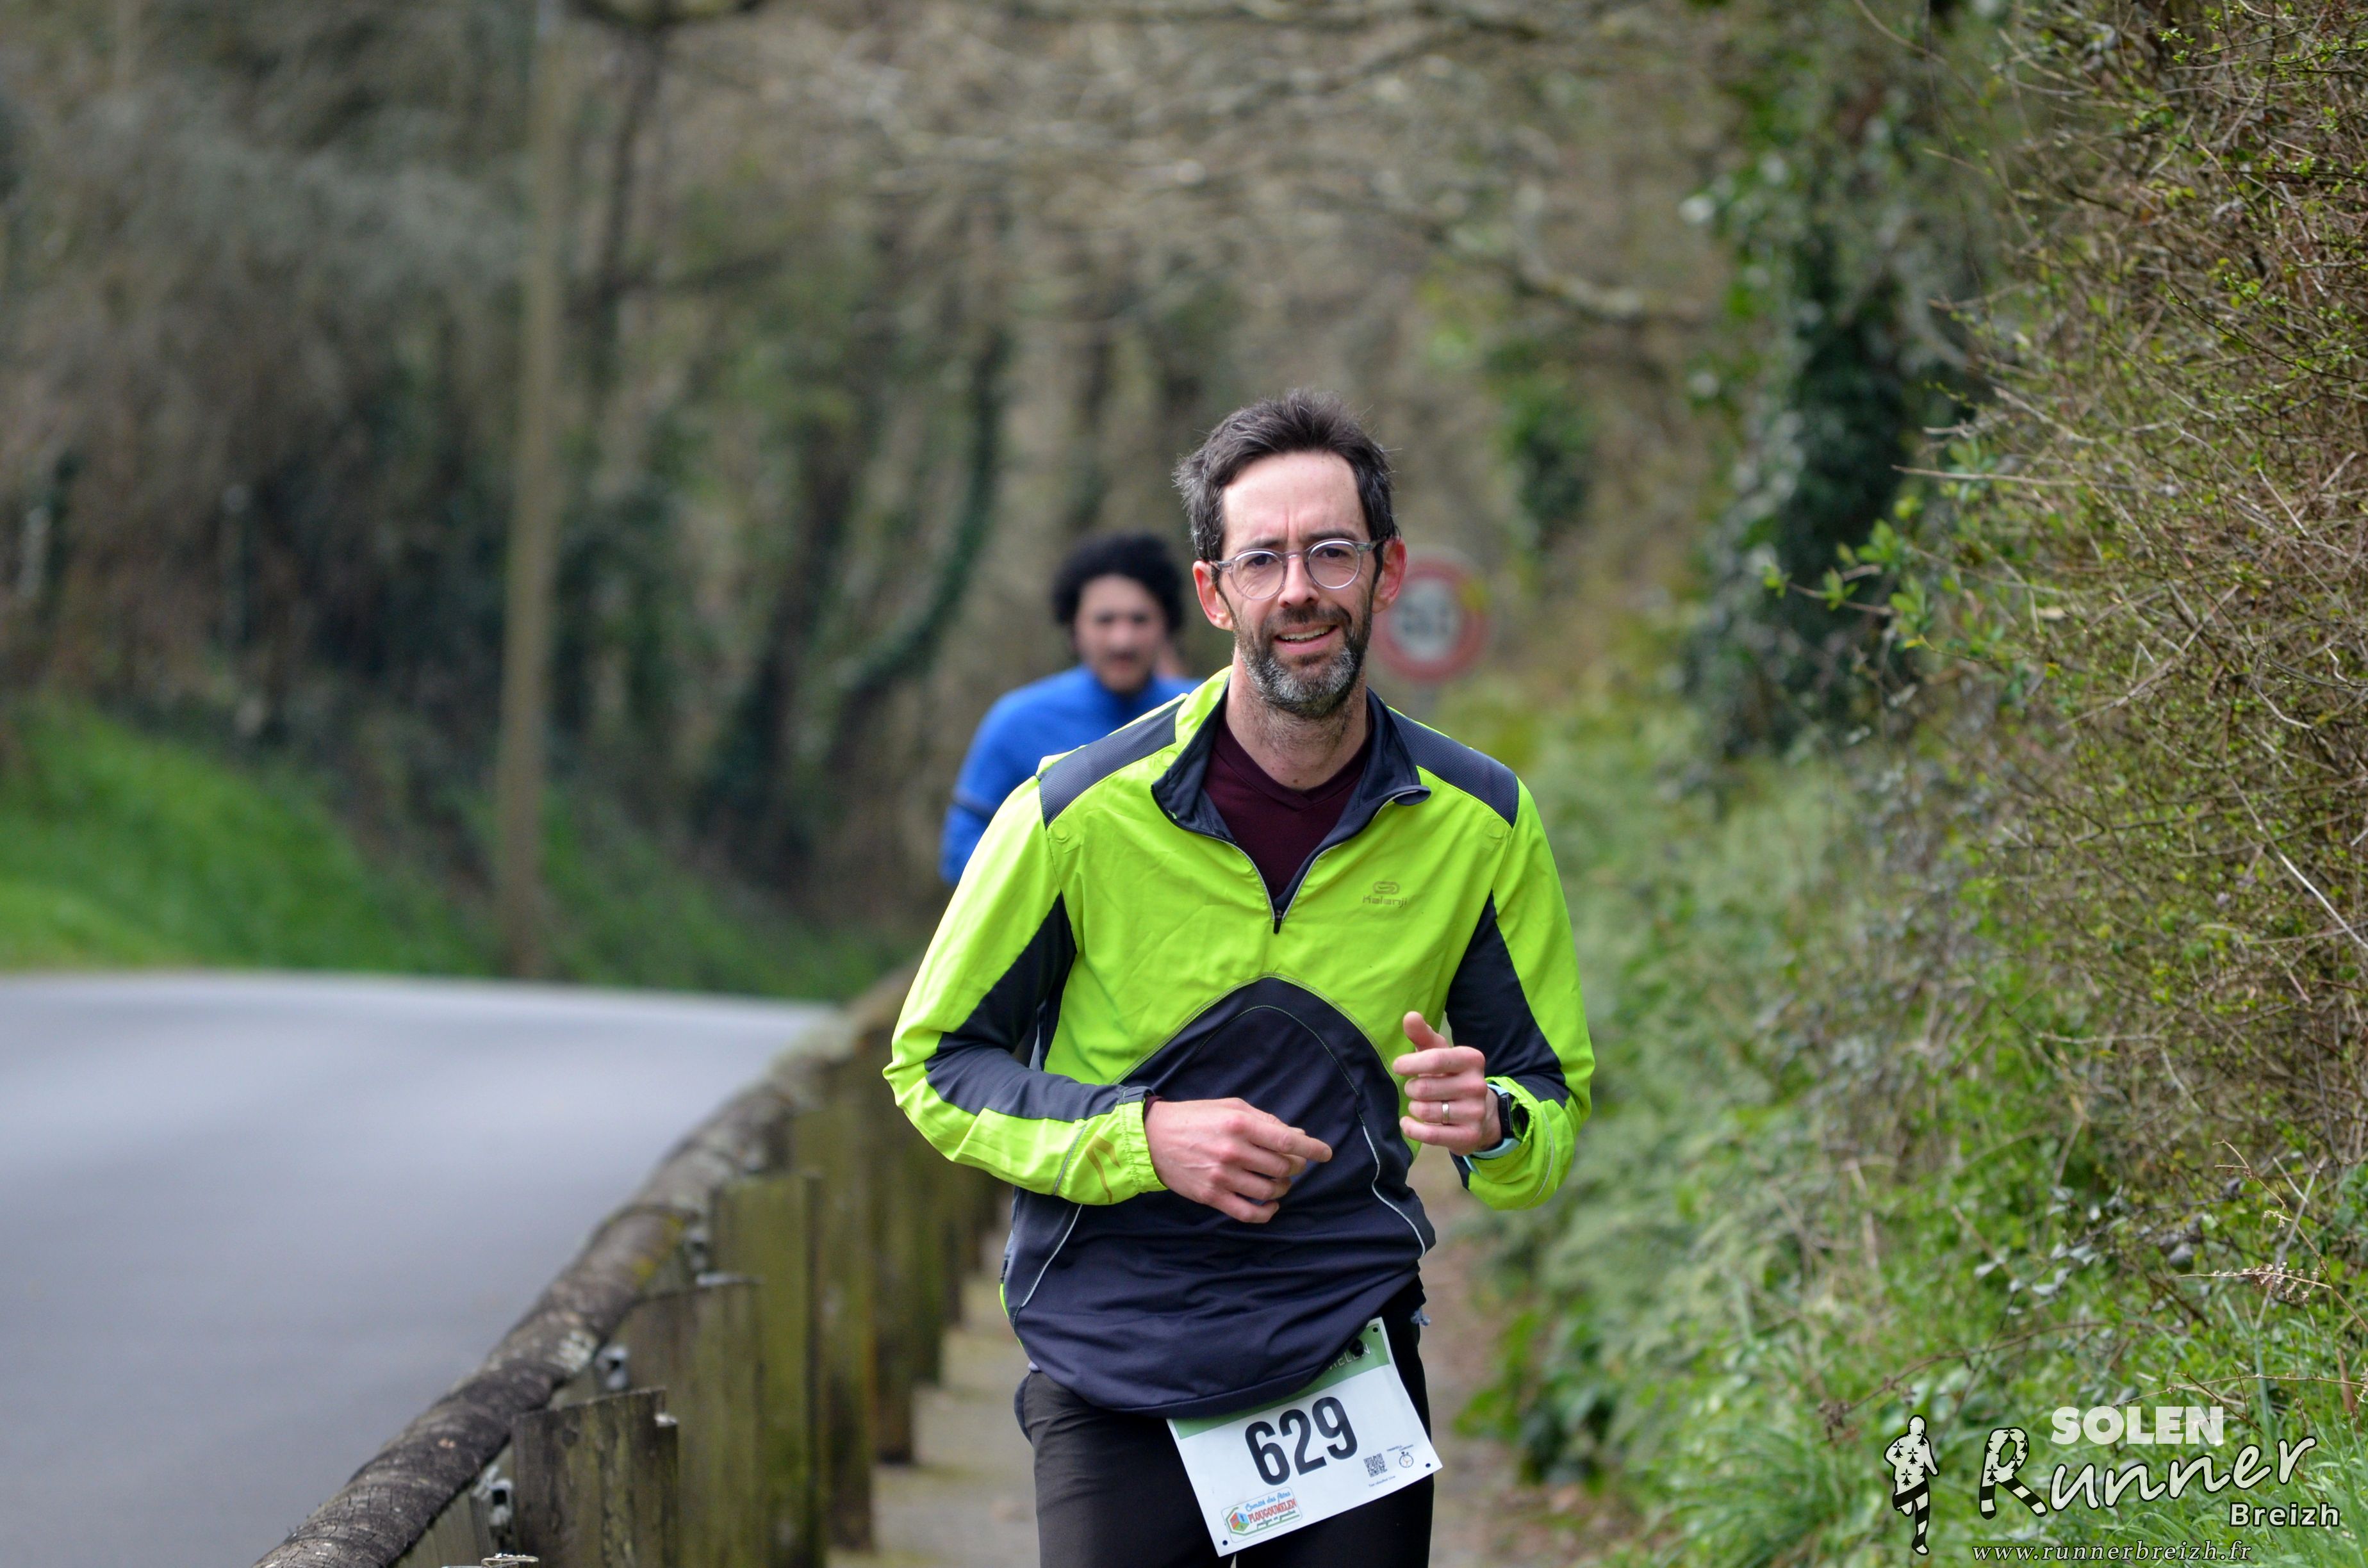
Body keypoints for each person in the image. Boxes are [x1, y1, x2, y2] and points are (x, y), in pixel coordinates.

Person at [886, 390, 1594, 1567]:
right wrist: (1141, 1137)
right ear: (1215, 594)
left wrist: (1494, 1125)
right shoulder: (1073, 813)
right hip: (1114, 1353)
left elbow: (1547, 1099)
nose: (1298, 588)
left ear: (1387, 572)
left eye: (1331, 552)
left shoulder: (1482, 821)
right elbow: (934, 1065)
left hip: (1345, 1348)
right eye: (1263, 559)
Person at [939, 532, 1198, 885]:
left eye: (1139, 620)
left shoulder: (1204, 713)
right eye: (1104, 620)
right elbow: (961, 849)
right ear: (1074, 629)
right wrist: (1058, 894)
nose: (1122, 641)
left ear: (1167, 625)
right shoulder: (1018, 721)